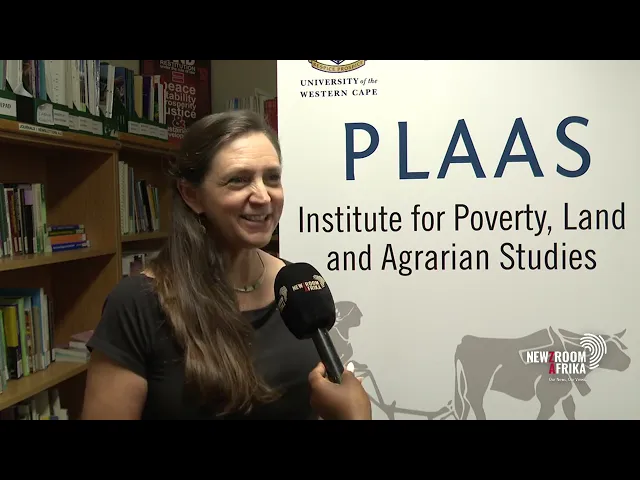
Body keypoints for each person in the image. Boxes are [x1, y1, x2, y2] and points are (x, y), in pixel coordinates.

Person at [81, 110, 372, 420]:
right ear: (191, 195)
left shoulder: (297, 288)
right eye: (238, 180)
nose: (263, 196)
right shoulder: (137, 304)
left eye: (272, 178)